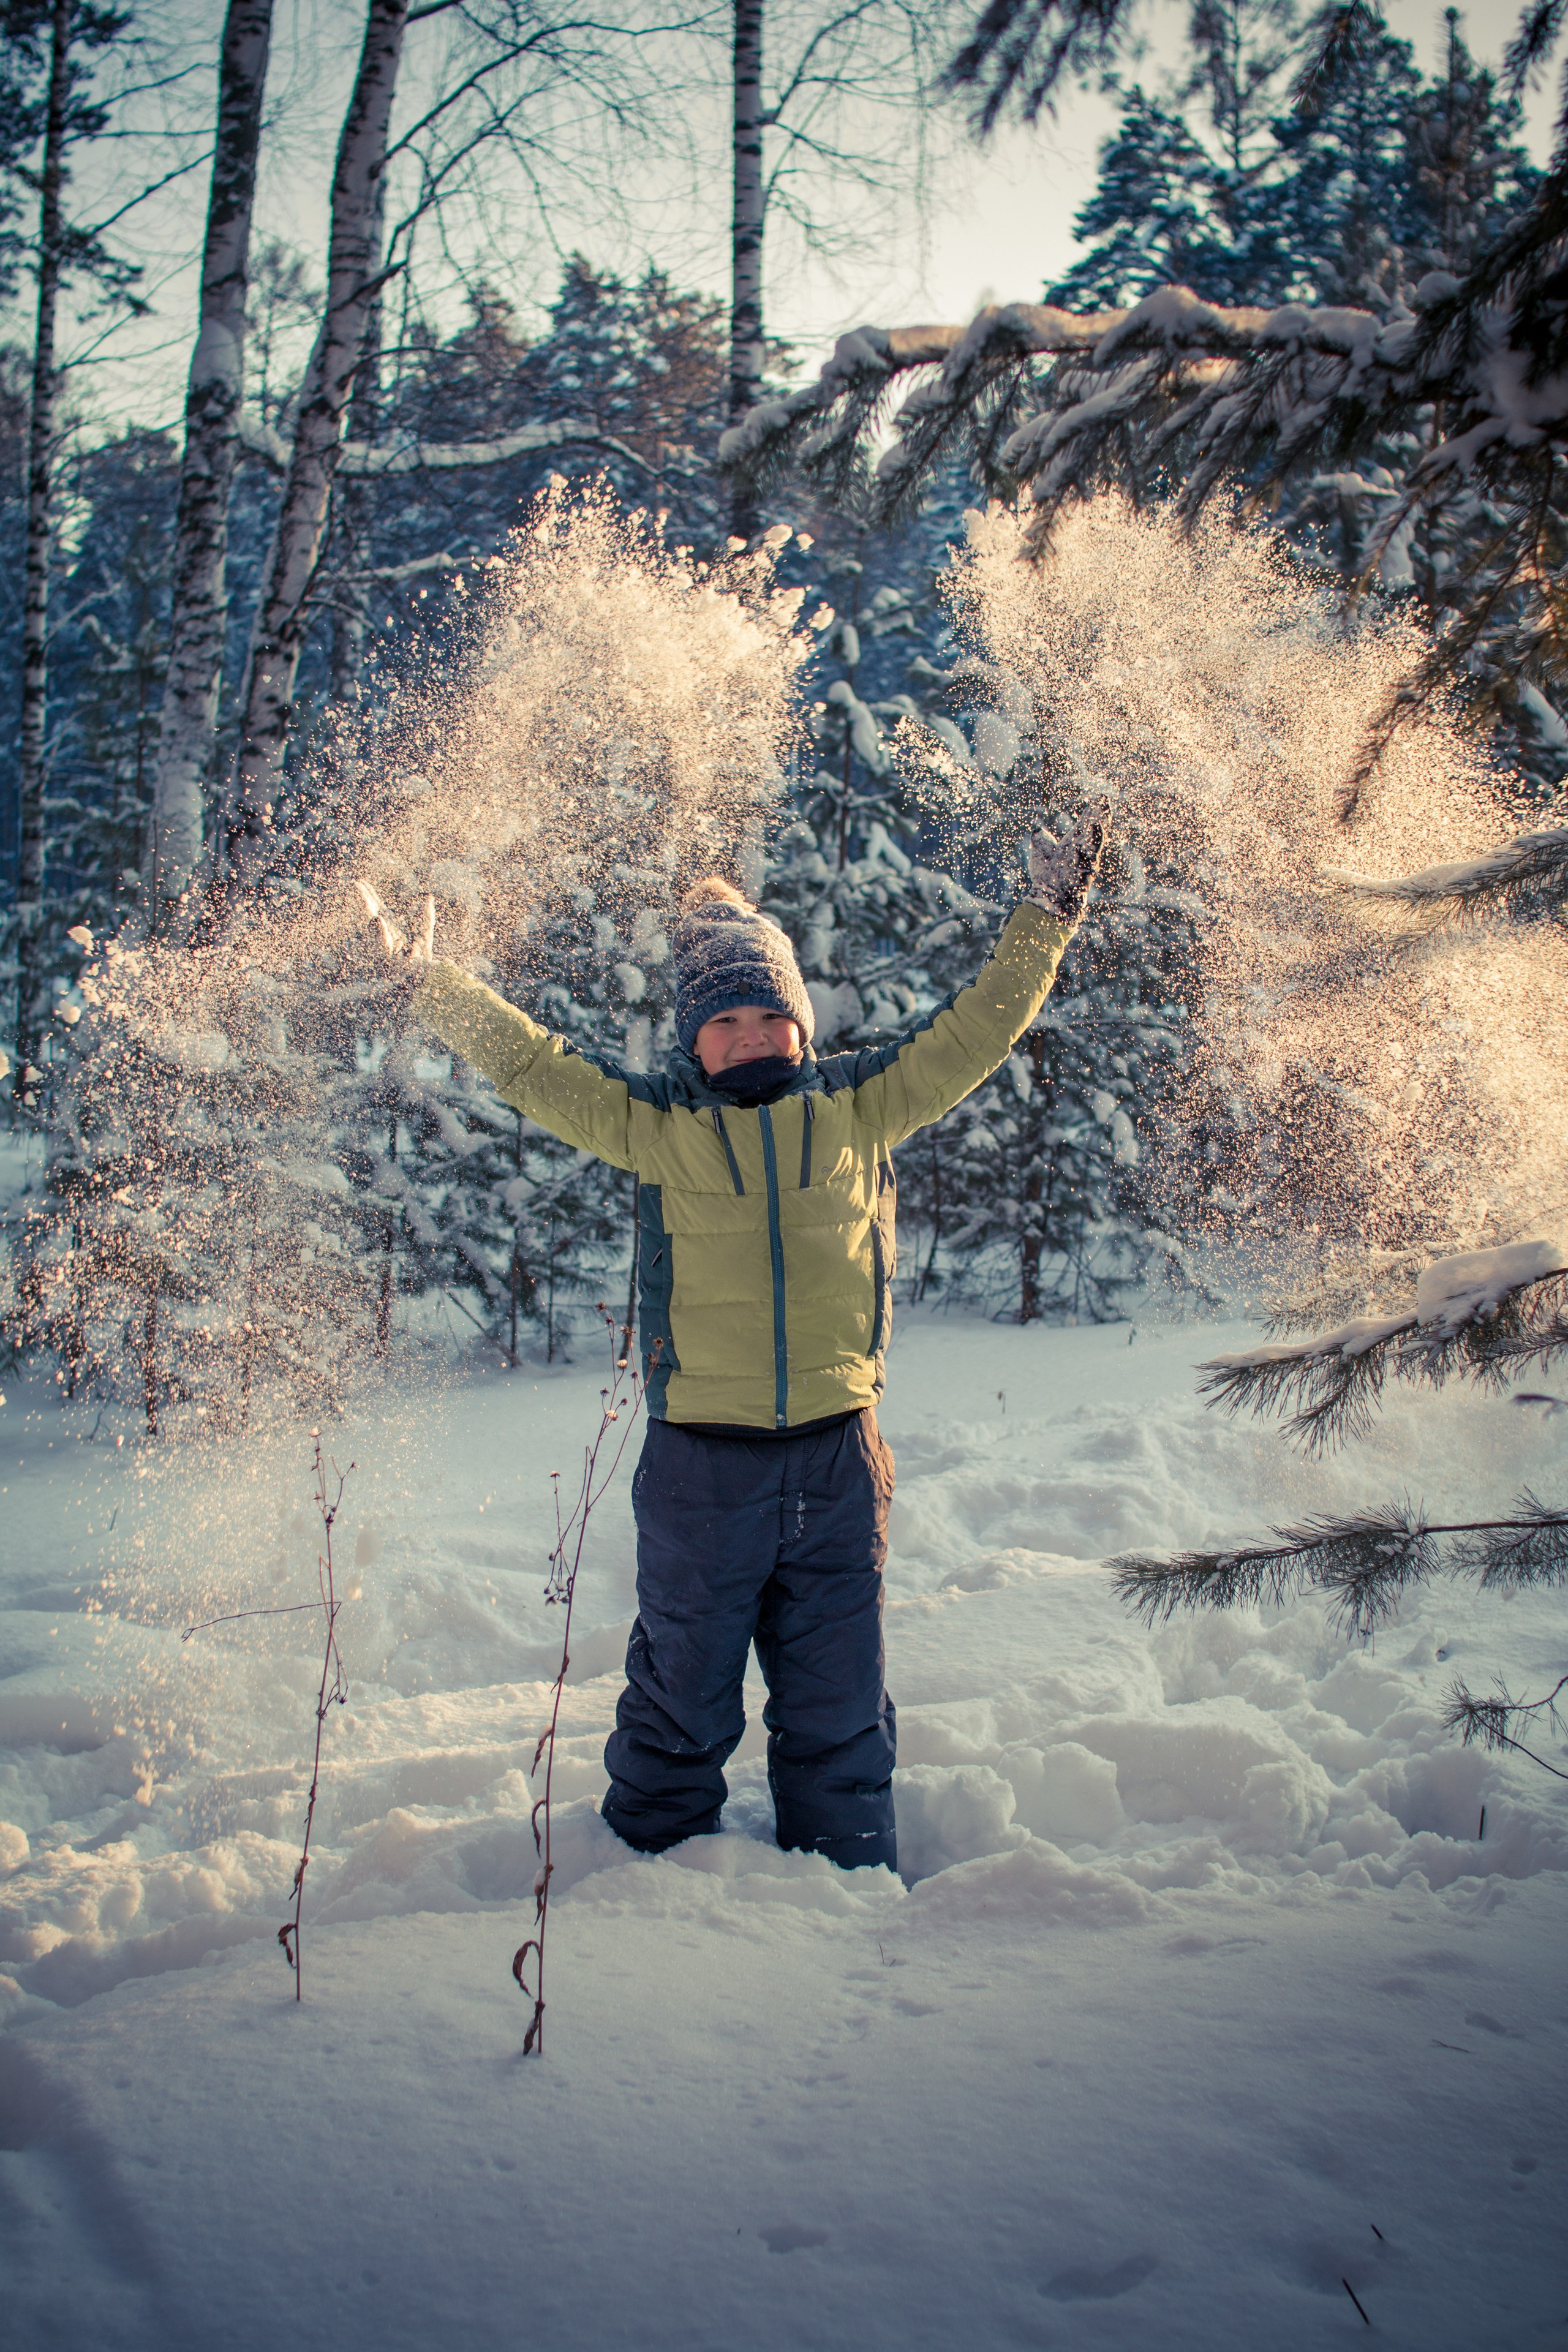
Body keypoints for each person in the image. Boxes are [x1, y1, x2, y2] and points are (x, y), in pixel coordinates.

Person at [360, 798, 1107, 1874]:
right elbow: (533, 1067)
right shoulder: (655, 1125)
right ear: (690, 1041)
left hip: (839, 1458)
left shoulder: (860, 1107)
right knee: (681, 1693)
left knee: (839, 1696)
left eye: (771, 1017)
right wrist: (433, 989)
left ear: (803, 1025)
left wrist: (1048, 917)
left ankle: (850, 1875)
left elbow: (979, 1028)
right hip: (702, 1470)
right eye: (724, 1022)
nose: (751, 1037)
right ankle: (654, 1889)